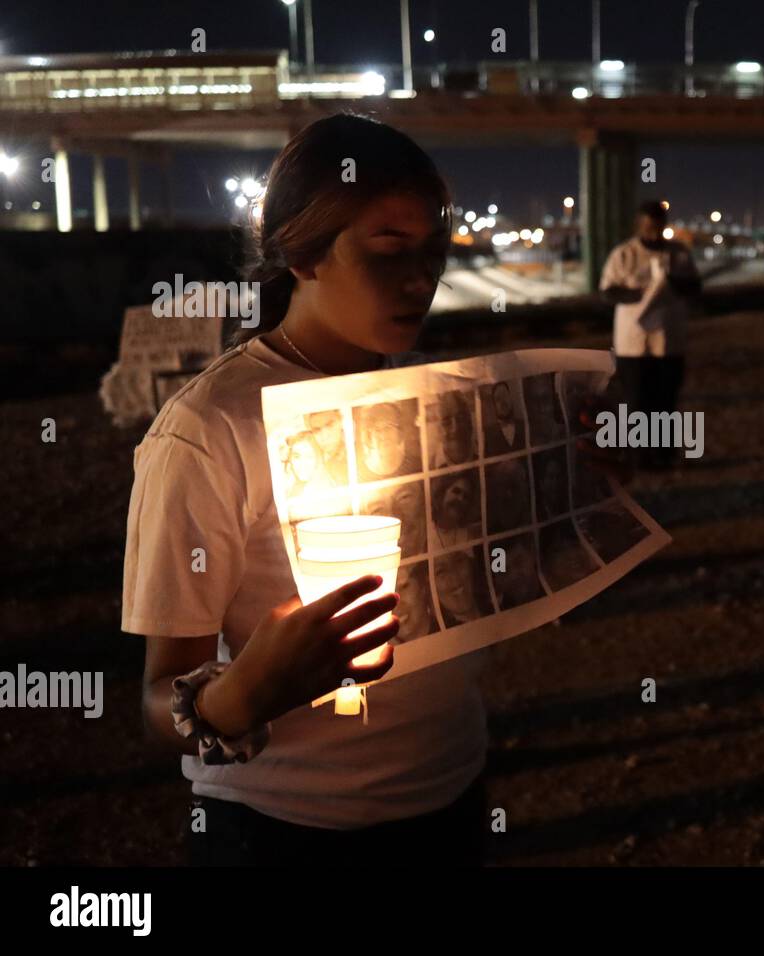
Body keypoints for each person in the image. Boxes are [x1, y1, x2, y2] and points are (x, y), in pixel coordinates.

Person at [121, 113, 620, 866]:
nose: (422, 279)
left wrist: (571, 487)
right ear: (300, 250)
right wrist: (240, 694)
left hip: (449, 797)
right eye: (388, 249)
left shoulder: (431, 396)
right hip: (280, 830)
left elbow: (486, 574)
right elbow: (160, 699)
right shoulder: (207, 428)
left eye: (432, 252)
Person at [599, 198, 701, 470]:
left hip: (669, 342)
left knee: (666, 400)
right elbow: (608, 291)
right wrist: (643, 294)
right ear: (639, 226)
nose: (653, 233)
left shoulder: (679, 255)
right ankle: (638, 457)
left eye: (657, 227)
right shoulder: (624, 255)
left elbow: (695, 287)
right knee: (636, 400)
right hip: (633, 344)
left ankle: (664, 456)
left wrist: (670, 284)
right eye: (648, 227)